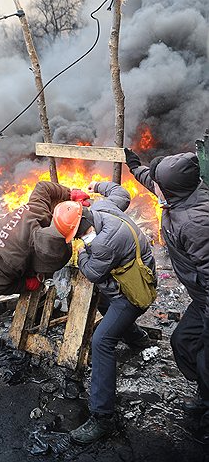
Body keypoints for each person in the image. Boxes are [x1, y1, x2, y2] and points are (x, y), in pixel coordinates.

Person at [0, 181, 91, 395]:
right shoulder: (14, 259)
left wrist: (70, 193)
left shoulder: (39, 213)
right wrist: (26, 284)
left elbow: (43, 187)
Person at [53, 180, 156, 445]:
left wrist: (81, 253)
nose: (76, 239)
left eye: (75, 235)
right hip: (144, 268)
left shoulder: (102, 244)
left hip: (135, 290)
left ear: (81, 228)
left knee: (102, 342)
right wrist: (97, 185)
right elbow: (120, 192)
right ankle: (137, 338)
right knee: (102, 302)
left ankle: (102, 418)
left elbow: (91, 272)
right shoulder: (104, 207)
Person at [124, 148, 209, 444]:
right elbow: (153, 180)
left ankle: (205, 410)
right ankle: (204, 393)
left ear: (172, 190)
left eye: (161, 184)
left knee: (202, 355)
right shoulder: (183, 194)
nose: (155, 187)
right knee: (182, 343)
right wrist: (134, 165)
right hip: (201, 298)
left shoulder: (196, 223)